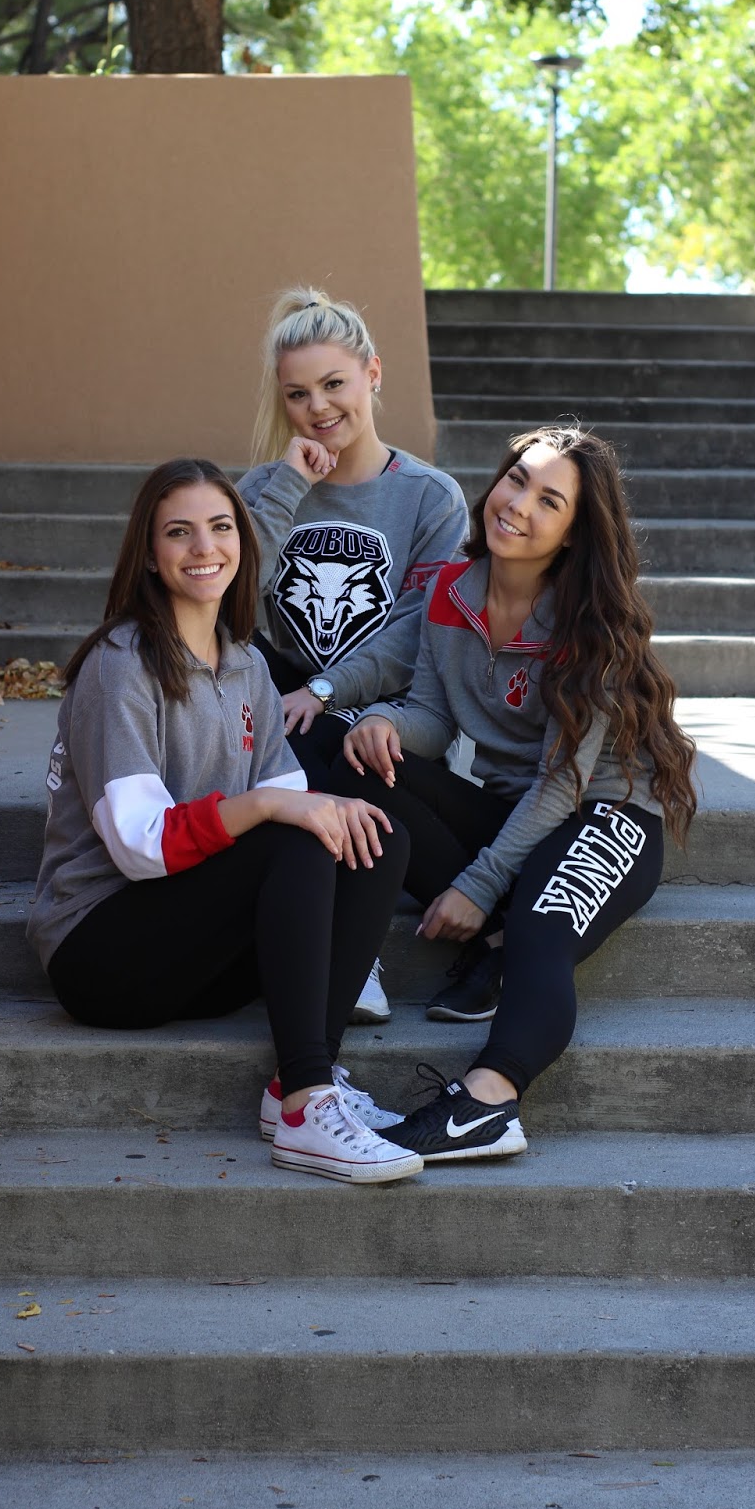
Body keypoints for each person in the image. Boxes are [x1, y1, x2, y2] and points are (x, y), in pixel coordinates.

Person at [26, 458, 421, 1186]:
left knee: (374, 839)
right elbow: (141, 847)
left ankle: (301, 1081)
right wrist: (269, 807)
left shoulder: (245, 667)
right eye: (179, 532)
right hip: (103, 951)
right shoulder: (120, 666)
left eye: (220, 527)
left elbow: (295, 801)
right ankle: (306, 1109)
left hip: (196, 947)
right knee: (293, 840)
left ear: (243, 540)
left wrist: (305, 807)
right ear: (150, 554)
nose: (204, 547)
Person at [334, 425, 697, 1163]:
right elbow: (433, 716)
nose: (519, 505)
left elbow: (564, 780)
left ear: (574, 533)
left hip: (606, 814)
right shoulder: (451, 590)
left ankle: (488, 1103)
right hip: (515, 812)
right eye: (517, 479)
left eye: (549, 501)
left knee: (542, 926)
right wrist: (383, 722)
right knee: (353, 760)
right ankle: (498, 927)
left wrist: (478, 884)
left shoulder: (593, 626)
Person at [236, 286, 469, 1024]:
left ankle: (351, 944)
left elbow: (415, 633)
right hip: (292, 697)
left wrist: (328, 690)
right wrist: (289, 486)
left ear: (373, 373)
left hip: (383, 710)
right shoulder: (261, 489)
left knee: (334, 749)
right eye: (297, 394)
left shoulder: (430, 497)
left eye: (334, 383)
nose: (318, 407)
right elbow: (227, 601)